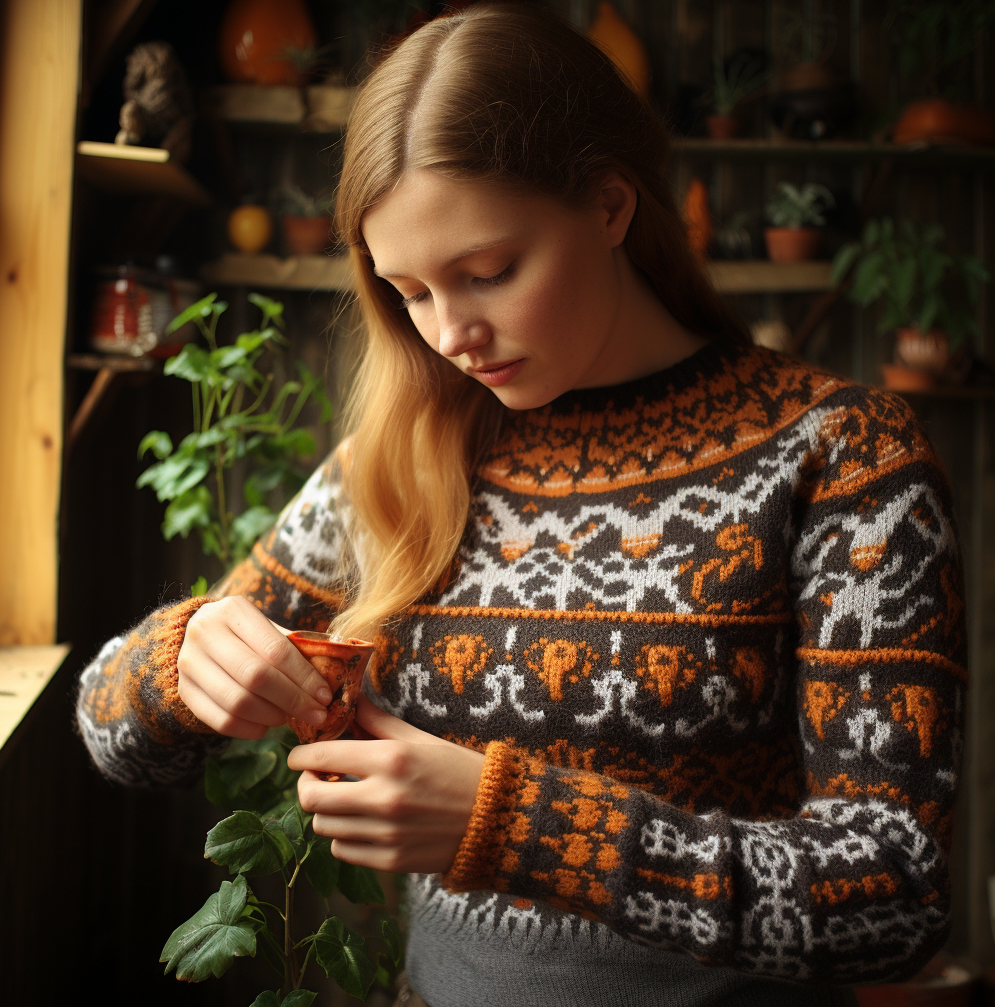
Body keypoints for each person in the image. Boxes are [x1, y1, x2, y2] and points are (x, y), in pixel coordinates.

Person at [76, 4, 966, 1006]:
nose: (450, 332)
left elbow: (893, 893)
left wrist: (514, 827)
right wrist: (182, 657)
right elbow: (111, 723)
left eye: (488, 271)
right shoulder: (401, 456)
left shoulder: (839, 455)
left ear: (609, 205)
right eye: (406, 289)